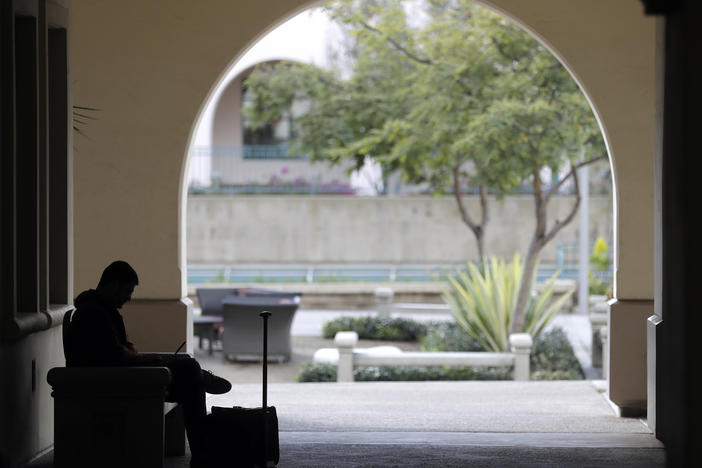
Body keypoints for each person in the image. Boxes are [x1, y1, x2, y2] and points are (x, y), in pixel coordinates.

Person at [65, 260, 229, 468]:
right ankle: (202, 383)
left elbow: (113, 352)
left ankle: (202, 451)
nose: (129, 297)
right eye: (128, 290)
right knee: (190, 372)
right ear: (114, 285)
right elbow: (117, 356)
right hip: (117, 382)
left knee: (189, 376)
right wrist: (143, 358)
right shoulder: (94, 314)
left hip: (116, 377)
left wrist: (132, 353)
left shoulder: (96, 310)